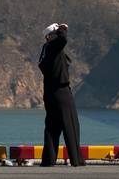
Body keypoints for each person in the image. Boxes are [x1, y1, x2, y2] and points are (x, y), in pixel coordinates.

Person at [38, 23, 85, 167]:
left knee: (52, 127)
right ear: (48, 37)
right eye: (55, 33)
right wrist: (63, 28)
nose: (58, 35)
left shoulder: (47, 51)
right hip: (62, 92)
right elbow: (63, 39)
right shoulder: (52, 47)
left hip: (50, 93)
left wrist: (59, 31)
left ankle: (48, 160)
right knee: (71, 125)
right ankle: (77, 160)